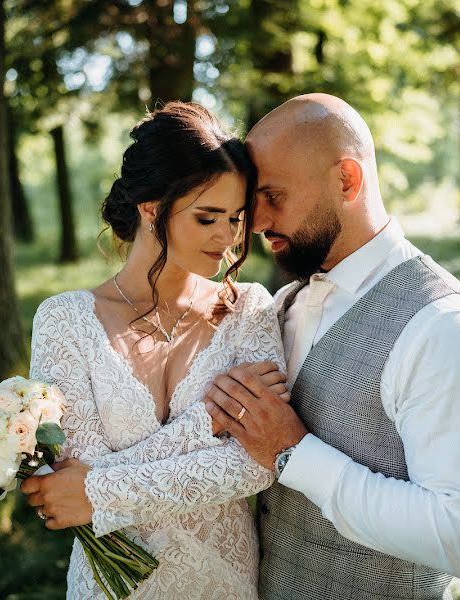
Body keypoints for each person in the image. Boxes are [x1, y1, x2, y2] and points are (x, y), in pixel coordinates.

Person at [204, 93, 460, 599]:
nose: (259, 222)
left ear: (347, 180)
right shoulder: (283, 306)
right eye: (253, 203)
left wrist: (293, 452)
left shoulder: (447, 329)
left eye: (274, 196)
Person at [20, 102, 288, 599]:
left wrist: (95, 493)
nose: (227, 236)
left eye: (235, 218)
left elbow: (255, 464)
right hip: (110, 587)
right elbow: (73, 465)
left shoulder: (249, 308)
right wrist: (207, 422)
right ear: (151, 209)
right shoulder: (64, 320)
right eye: (207, 217)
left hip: (221, 582)